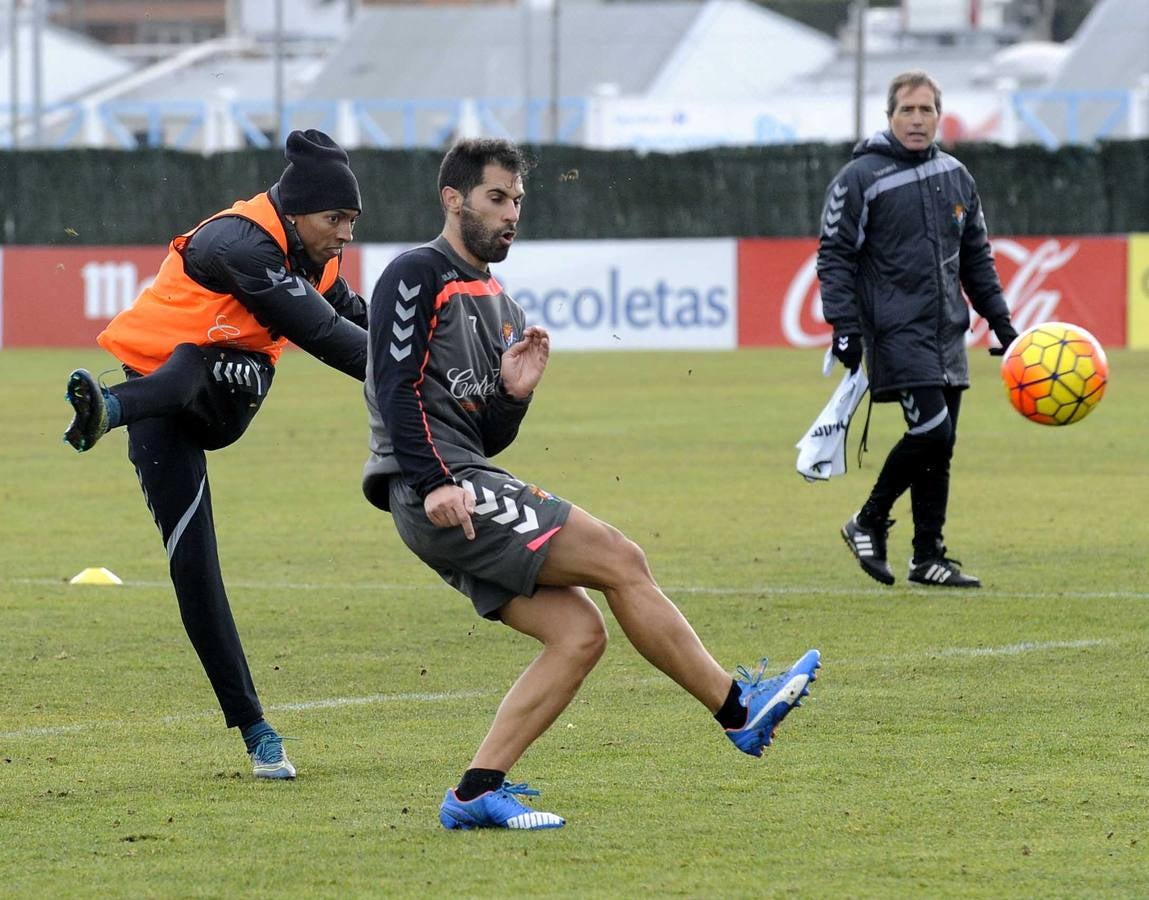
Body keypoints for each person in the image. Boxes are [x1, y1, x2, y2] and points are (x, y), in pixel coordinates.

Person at [362, 137, 822, 830]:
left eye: (517, 200)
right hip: (433, 487)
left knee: (579, 633)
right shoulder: (414, 273)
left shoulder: (499, 302)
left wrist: (512, 396)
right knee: (619, 558)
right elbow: (393, 390)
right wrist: (432, 482)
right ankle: (736, 710)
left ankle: (474, 791)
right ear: (452, 199)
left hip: (463, 477)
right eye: (495, 198)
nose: (510, 212)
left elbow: (484, 435)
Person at [62, 129, 369, 778]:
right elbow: (321, 335)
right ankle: (258, 733)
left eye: (351, 221)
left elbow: (356, 322)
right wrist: (417, 375)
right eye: (335, 219)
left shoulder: (316, 254)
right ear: (294, 211)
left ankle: (108, 409)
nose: (345, 234)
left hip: (224, 398)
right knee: (193, 568)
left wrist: (432, 355)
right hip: (161, 407)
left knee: (195, 362)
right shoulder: (237, 242)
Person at [817, 70, 1019, 589]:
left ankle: (928, 556)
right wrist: (844, 325)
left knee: (940, 446)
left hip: (947, 332)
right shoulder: (860, 177)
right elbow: (835, 255)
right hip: (895, 332)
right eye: (907, 110)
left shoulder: (957, 175)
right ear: (889, 116)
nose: (916, 119)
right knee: (932, 431)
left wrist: (1001, 322)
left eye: (926, 109)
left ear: (938, 115)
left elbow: (976, 258)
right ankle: (866, 521)